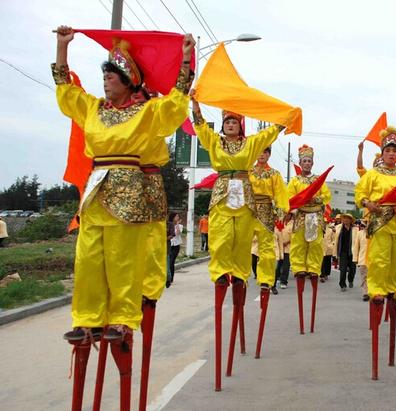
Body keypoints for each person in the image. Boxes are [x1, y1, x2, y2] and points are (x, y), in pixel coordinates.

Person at [52, 25, 194, 408]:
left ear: (129, 81)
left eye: (111, 76)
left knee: (122, 259)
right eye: (103, 76)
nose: (105, 82)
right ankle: (86, 317)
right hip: (97, 188)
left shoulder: (146, 111)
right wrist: (61, 48)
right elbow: (68, 96)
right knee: (87, 257)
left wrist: (185, 61)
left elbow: (176, 105)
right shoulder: (95, 110)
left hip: (132, 188)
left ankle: (123, 318)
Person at [191, 93, 284, 391]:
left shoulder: (251, 145)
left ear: (241, 125)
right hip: (222, 193)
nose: (230, 124)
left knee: (245, 242)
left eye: (234, 121)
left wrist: (283, 118)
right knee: (220, 236)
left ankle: (246, 275)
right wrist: (195, 104)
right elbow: (201, 128)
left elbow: (270, 132)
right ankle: (221, 272)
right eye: (227, 121)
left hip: (246, 198)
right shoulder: (215, 143)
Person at [355, 126, 396, 380]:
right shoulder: (373, 174)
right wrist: (369, 204)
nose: (391, 153)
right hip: (379, 219)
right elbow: (360, 195)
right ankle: (377, 288)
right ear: (382, 152)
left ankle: (392, 286)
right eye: (387, 149)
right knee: (378, 259)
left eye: (394, 150)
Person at [287, 145, 332, 334]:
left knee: (315, 245)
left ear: (312, 163)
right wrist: (296, 205)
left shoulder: (318, 180)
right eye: (304, 161)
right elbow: (289, 197)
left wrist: (315, 200)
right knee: (298, 244)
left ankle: (313, 268)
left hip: (314, 216)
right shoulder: (295, 180)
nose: (307, 163)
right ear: (300, 162)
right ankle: (298, 268)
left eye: (309, 161)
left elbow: (326, 196)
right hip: (301, 216)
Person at [249, 145, 289, 302]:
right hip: (249, 209)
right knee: (244, 243)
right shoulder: (248, 171)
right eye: (260, 151)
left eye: (265, 151)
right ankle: (239, 275)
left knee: (266, 246)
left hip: (266, 210)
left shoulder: (274, 174)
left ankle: (265, 279)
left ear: (269, 155)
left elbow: (280, 194)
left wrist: (281, 211)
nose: (262, 154)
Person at [333, 213, 357, 291]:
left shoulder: (355, 229)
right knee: (343, 269)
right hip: (342, 252)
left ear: (351, 220)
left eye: (347, 218)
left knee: (352, 269)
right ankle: (342, 284)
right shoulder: (338, 228)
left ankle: (350, 280)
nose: (345, 220)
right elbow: (334, 239)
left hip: (352, 252)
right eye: (344, 218)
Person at [352, 219, 369, 301]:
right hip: (362, 259)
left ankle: (372, 291)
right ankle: (365, 293)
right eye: (366, 223)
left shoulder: (375, 234)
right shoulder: (359, 234)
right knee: (364, 277)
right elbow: (356, 247)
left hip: (374, 260)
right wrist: (355, 258)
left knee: (371, 277)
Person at [277, 219, 293, 288]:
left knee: (286, 266)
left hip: (288, 247)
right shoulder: (280, 222)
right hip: (280, 247)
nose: (287, 215)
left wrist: (287, 242)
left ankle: (284, 282)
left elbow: (294, 235)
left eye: (289, 214)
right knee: (278, 265)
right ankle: (277, 277)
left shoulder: (293, 224)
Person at [168, 213, 183, 285]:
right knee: (169, 262)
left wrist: (177, 224)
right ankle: (169, 278)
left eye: (178, 216)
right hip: (170, 244)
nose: (177, 217)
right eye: (176, 216)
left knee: (172, 261)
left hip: (176, 245)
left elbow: (177, 233)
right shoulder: (169, 225)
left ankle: (171, 278)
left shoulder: (180, 226)